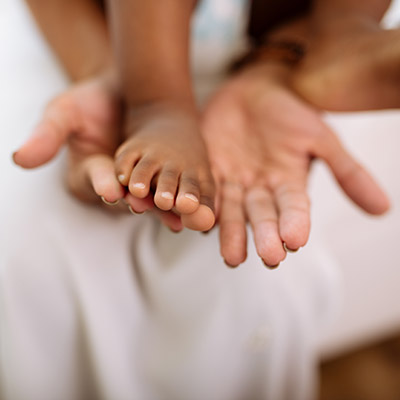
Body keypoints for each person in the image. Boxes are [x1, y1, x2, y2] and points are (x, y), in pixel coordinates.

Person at [2, 0, 393, 399]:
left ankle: (342, 26)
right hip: (97, 33)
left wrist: (278, 60)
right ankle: (343, 28)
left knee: (248, 286)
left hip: (260, 38)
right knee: (33, 250)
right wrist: (145, 95)